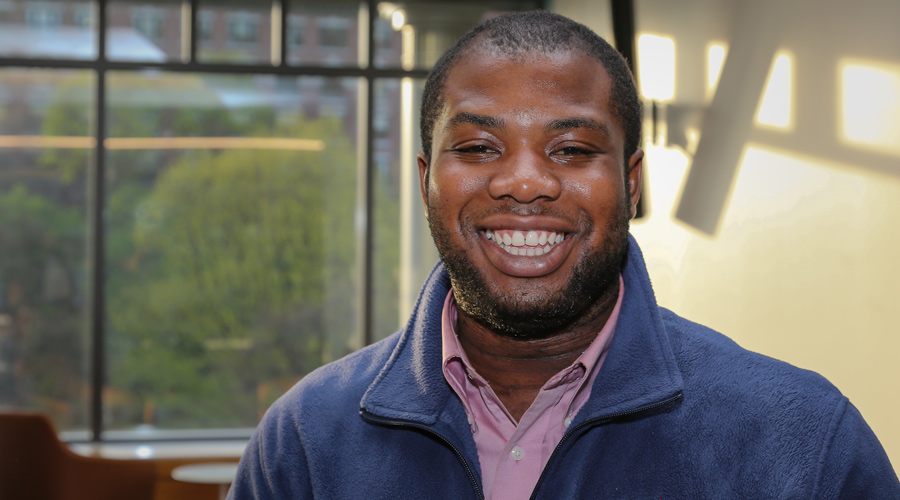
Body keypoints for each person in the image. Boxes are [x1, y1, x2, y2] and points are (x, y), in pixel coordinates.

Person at [228, 11, 899, 499]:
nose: (524, 182)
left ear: (631, 182)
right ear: (426, 178)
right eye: (479, 147)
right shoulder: (307, 443)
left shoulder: (805, 445)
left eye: (572, 149)